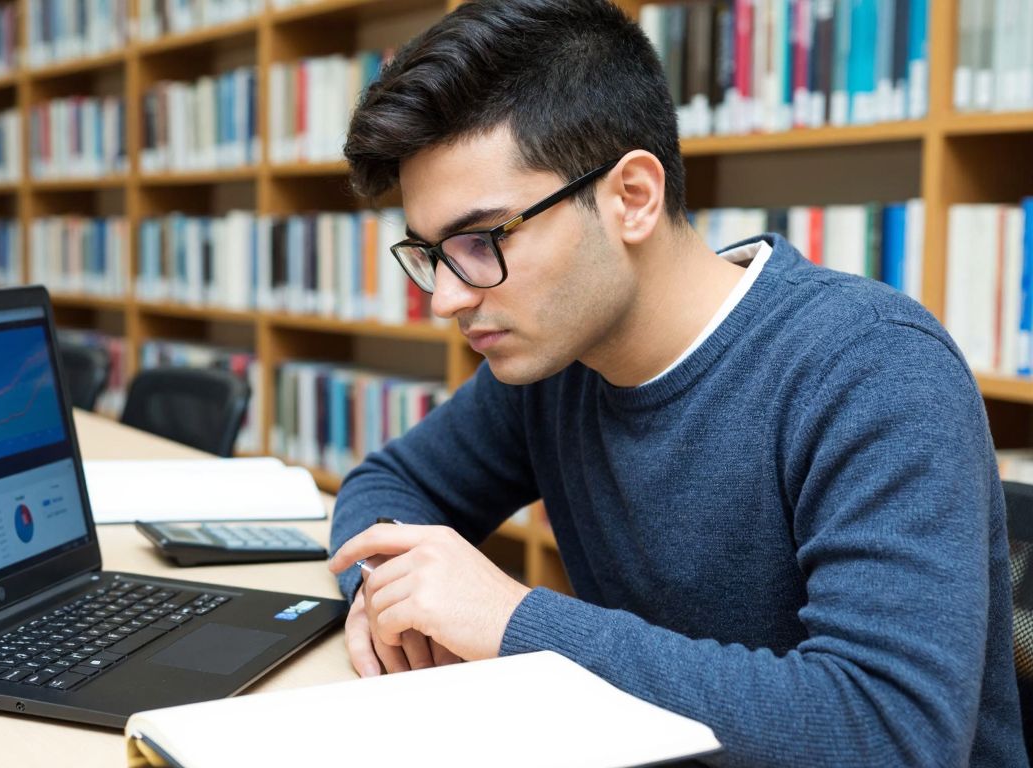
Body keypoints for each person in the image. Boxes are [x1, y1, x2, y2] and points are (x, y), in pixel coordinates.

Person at [324, 0, 1026, 764]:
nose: (448, 297)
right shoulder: (555, 362)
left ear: (632, 197)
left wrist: (515, 620)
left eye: (480, 240)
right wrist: (387, 590)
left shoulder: (873, 367)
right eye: (430, 252)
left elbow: (893, 735)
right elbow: (391, 483)